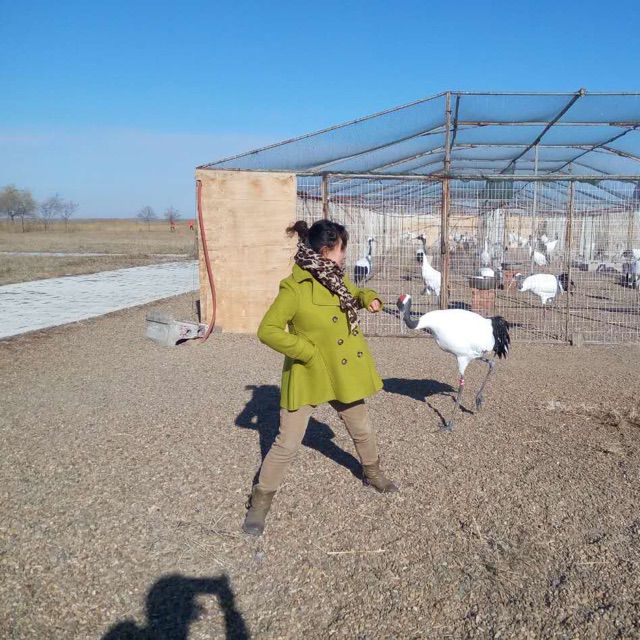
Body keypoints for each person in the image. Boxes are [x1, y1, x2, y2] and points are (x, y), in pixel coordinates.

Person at [243, 219, 397, 536]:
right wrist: (307, 351)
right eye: (341, 249)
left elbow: (356, 292)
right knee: (286, 443)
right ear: (326, 251)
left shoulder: (335, 278)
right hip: (308, 373)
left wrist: (368, 297)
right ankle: (260, 501)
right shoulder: (294, 288)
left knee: (361, 428)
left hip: (341, 371)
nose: (345, 255)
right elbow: (268, 330)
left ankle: (372, 472)